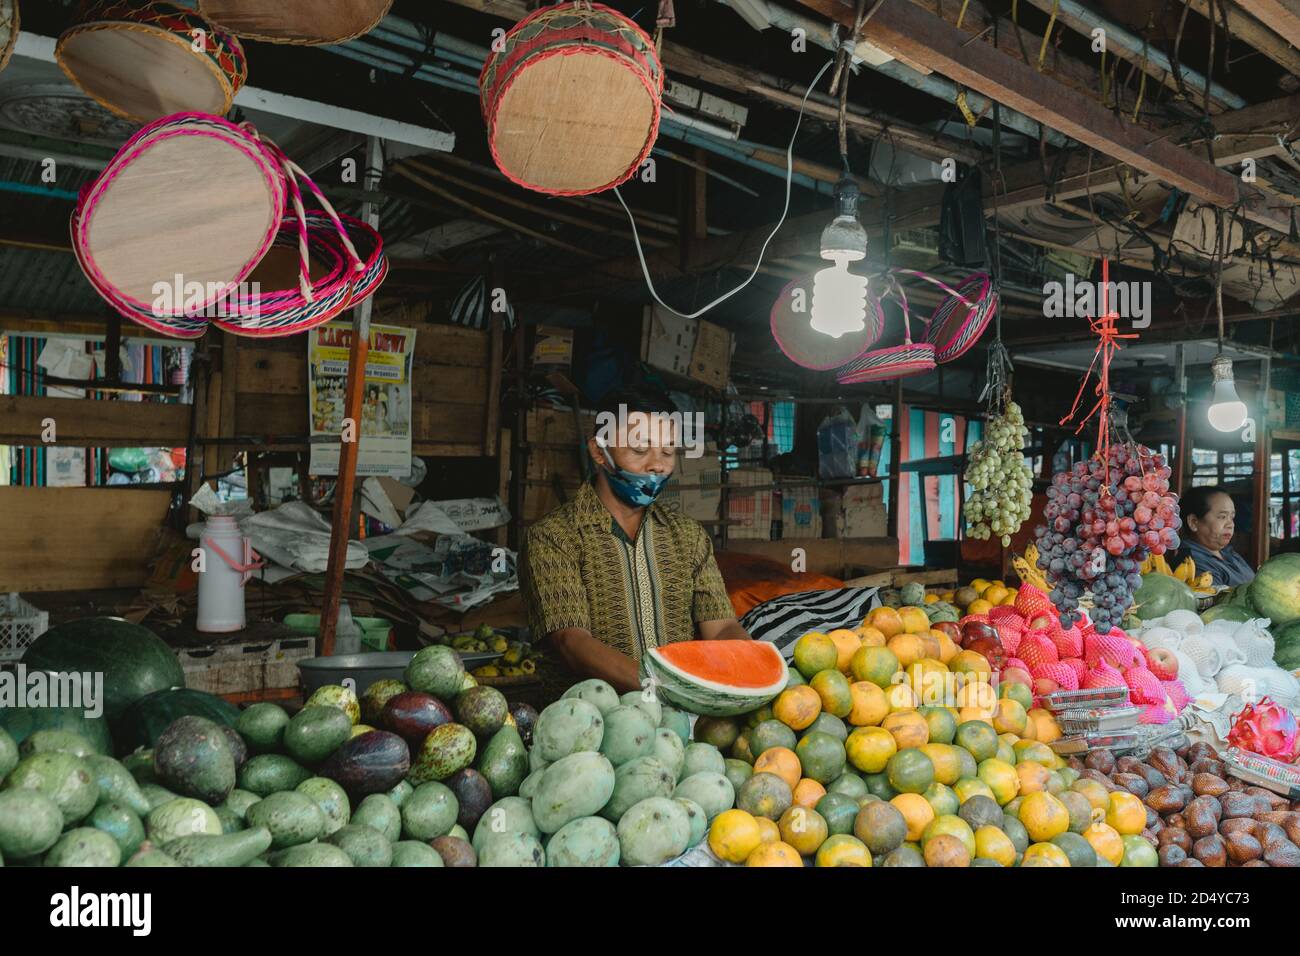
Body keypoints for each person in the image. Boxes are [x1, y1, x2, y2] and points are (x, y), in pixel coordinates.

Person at [522, 385, 751, 693]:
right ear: (598, 452)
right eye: (640, 450)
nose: (657, 465)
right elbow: (571, 642)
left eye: (668, 451)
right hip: (592, 724)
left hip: (684, 722)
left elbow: (721, 626)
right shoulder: (554, 537)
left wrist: (744, 668)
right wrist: (663, 688)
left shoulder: (688, 536)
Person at [1175, 484, 1255, 588]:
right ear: (1193, 522)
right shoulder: (1192, 564)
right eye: (1222, 517)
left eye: (1232, 517)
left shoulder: (1228, 552)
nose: (1230, 524)